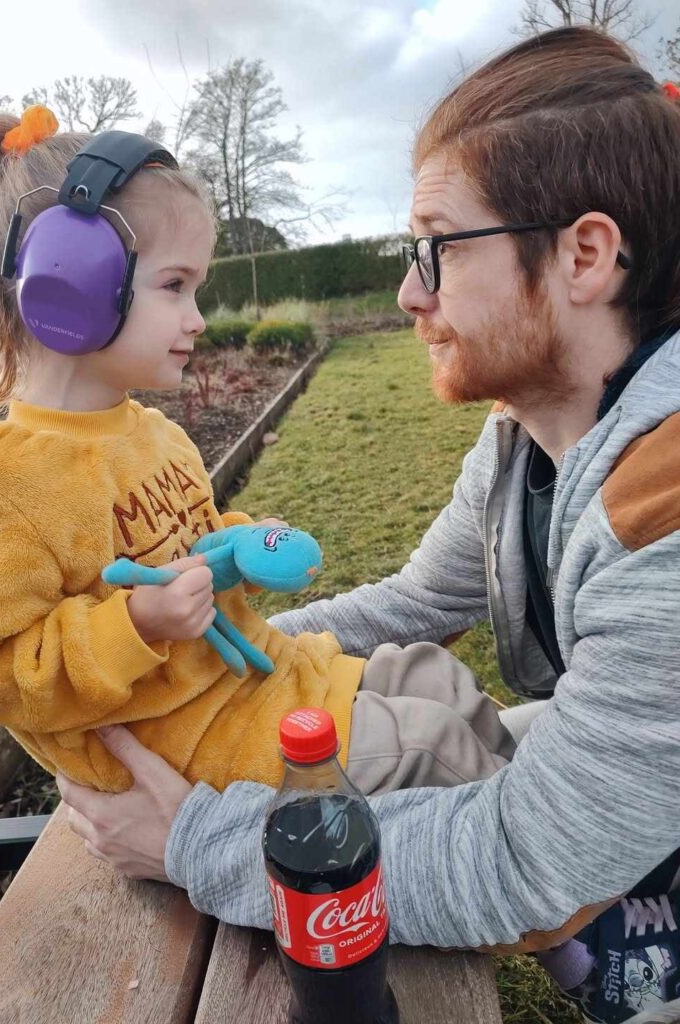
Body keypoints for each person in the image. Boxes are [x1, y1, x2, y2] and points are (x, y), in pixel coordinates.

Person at [57, 26, 680, 1024]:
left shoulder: (666, 519)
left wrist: (192, 843)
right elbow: (418, 600)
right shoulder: (527, 437)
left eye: (437, 247)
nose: (408, 293)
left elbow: (525, 861)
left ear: (585, 255)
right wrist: (201, 674)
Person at [0, 108, 513, 809]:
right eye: (175, 286)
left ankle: (541, 845)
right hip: (184, 738)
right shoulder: (8, 484)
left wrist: (236, 545)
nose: (197, 317)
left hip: (247, 682)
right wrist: (134, 625)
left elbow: (187, 547)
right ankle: (527, 866)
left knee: (434, 678)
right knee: (429, 744)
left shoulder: (154, 435)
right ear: (72, 282)